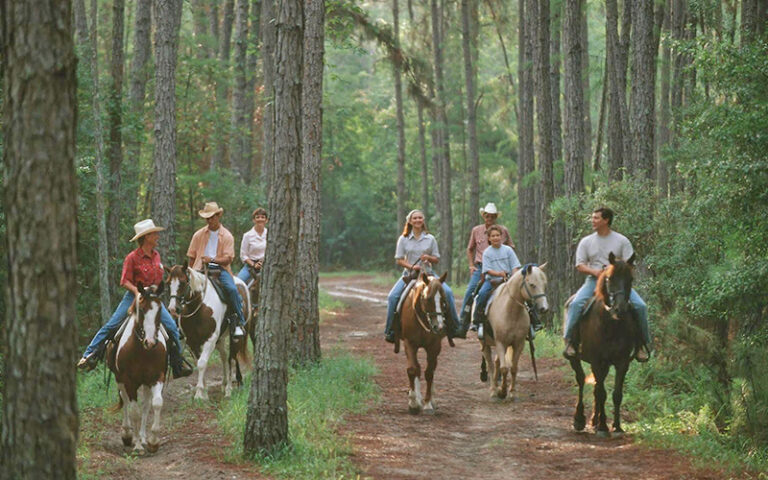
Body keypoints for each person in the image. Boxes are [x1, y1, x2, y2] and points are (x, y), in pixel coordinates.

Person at [76, 219, 193, 378]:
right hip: (134, 295)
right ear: (146, 238)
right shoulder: (132, 258)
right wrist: (138, 292)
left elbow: (159, 278)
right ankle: (89, 354)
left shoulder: (156, 256)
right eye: (154, 234)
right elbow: (124, 281)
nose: (157, 236)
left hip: (152, 297)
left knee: (172, 327)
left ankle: (178, 364)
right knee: (113, 324)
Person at [563, 207, 651, 362]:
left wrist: (615, 271)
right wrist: (596, 272)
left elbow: (630, 264)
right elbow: (580, 265)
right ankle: (570, 342)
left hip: (618, 283)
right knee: (576, 304)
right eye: (593, 217)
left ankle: (641, 345)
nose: (593, 220)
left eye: (596, 218)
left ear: (606, 220)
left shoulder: (622, 241)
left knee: (640, 306)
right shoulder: (587, 241)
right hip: (594, 281)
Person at [384, 209, 464, 343]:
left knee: (449, 293)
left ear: (423, 220)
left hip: (428, 274)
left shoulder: (430, 238)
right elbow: (399, 259)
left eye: (420, 218)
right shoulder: (403, 239)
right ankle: (390, 331)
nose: (417, 220)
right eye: (415, 218)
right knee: (392, 297)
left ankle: (454, 327)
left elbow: (436, 258)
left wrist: (429, 258)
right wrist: (411, 266)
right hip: (410, 275)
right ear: (409, 221)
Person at [186, 202, 246, 338]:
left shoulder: (227, 236)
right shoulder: (198, 235)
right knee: (184, 290)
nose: (209, 220)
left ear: (218, 216)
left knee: (231, 289)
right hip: (199, 269)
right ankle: (181, 323)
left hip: (220, 270)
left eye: (212, 217)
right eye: (207, 218)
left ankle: (238, 321)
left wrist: (212, 260)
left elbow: (228, 258)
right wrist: (190, 272)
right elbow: (191, 256)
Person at [460, 202, 515, 331]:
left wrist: (507, 261)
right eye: (487, 216)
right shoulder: (476, 230)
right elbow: (470, 249)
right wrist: (471, 265)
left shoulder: (503, 230)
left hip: (501, 268)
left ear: (496, 217)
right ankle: (464, 321)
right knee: (471, 291)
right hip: (481, 267)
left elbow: (511, 246)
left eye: (492, 216)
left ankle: (529, 322)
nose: (489, 219)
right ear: (483, 216)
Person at [472, 225, 521, 339]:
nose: (496, 238)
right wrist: (499, 274)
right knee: (482, 294)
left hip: (508, 281)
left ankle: (533, 321)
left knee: (524, 294)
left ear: (502, 237)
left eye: (498, 235)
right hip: (492, 281)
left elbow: (515, 266)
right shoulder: (487, 252)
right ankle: (477, 320)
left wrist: (513, 278)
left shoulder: (508, 250)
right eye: (493, 236)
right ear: (489, 238)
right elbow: (487, 270)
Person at [237, 207, 268, 284]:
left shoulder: (270, 234)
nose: (260, 219)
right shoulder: (247, 235)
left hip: (267, 265)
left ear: (266, 220)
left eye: (263, 217)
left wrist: (262, 263)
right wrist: (254, 265)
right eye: (257, 217)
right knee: (238, 282)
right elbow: (243, 255)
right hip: (250, 266)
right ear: (254, 220)